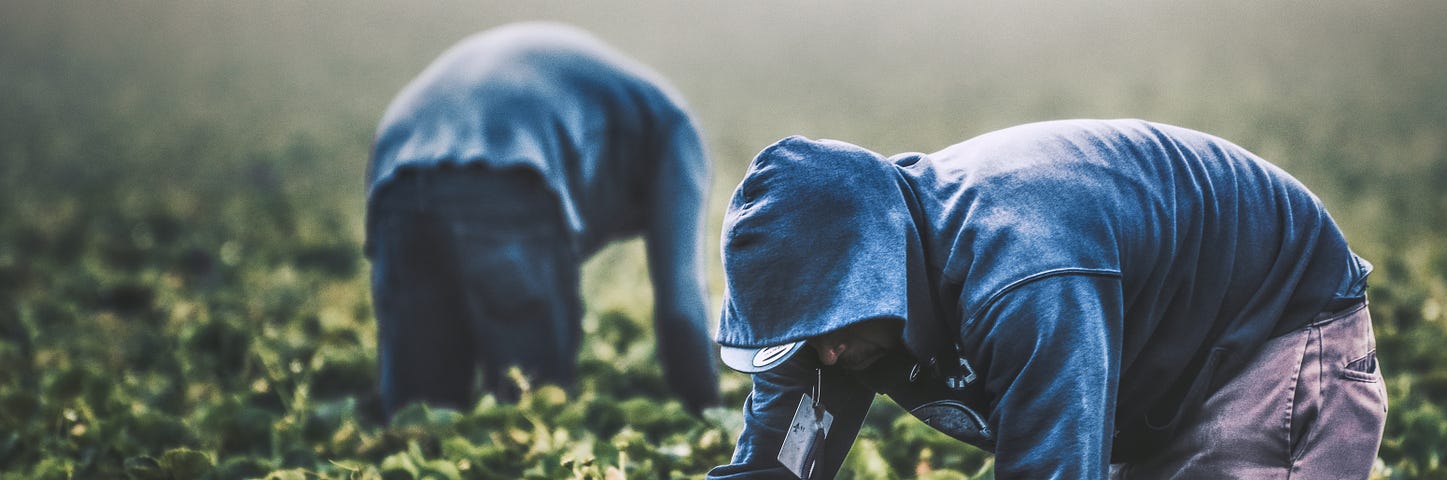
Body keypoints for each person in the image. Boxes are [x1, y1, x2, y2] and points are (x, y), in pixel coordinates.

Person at [708, 119, 1385, 479]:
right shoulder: (832, 334)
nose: (824, 351)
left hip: (1272, 329)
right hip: (1155, 369)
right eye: (802, 334)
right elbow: (774, 472)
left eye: (833, 320)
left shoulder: (1023, 277)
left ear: (877, 268)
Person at [365, 22, 717, 418]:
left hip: (396, 166)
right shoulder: (678, 133)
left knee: (420, 419)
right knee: (532, 411)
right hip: (507, 164)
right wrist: (707, 414)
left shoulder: (622, 108)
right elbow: (681, 307)